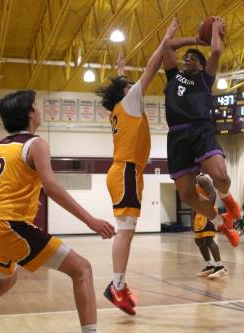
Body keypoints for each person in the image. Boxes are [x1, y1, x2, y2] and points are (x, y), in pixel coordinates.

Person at [0, 90, 115, 333]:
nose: (39, 108)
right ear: (30, 114)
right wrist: (91, 220)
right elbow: (52, 187)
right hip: (8, 226)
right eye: (36, 104)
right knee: (82, 269)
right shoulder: (36, 143)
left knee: (5, 283)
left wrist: (23, 193)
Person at [95, 19, 179, 316]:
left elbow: (126, 85)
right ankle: (116, 286)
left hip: (126, 171)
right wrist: (165, 40)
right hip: (127, 172)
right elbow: (152, 68)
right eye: (128, 85)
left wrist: (120, 70)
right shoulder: (129, 101)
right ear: (126, 92)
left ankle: (118, 284)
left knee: (126, 231)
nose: (135, 87)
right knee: (125, 232)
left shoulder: (121, 108)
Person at [162, 16, 240, 246]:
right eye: (185, 56)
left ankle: (228, 200)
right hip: (176, 135)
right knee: (186, 195)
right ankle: (220, 224)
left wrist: (214, 30)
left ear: (201, 65)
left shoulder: (205, 80)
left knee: (221, 176)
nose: (186, 58)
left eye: (193, 57)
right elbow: (167, 46)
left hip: (201, 129)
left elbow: (216, 51)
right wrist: (196, 39)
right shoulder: (173, 76)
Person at [194, 173, 228, 278]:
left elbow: (213, 194)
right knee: (199, 240)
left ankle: (220, 266)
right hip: (199, 212)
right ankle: (209, 266)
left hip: (208, 210)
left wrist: (208, 210)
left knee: (209, 239)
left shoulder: (202, 178)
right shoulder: (192, 179)